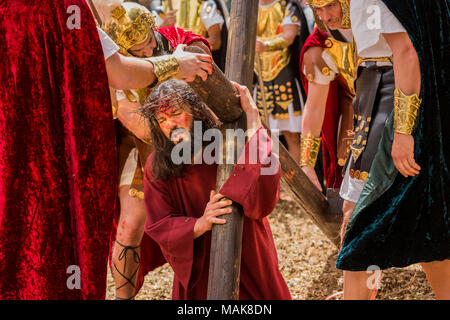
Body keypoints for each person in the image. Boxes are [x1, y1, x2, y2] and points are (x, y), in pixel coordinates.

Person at [93, 0, 214, 300]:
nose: (147, 52)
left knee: (208, 214)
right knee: (131, 223)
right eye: (138, 51)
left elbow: (207, 74)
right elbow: (132, 119)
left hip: (199, 141)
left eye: (148, 42)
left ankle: (213, 288)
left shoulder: (177, 41)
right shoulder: (117, 69)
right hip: (145, 146)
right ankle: (124, 297)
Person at [337, 0, 450, 300]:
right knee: (429, 224)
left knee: (360, 224)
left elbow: (405, 51)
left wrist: (403, 132)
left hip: (395, 98)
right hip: (398, 94)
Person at [140, 79, 291, 299]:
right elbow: (159, 223)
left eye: (175, 113)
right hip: (199, 260)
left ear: (196, 111)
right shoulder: (157, 166)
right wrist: (200, 224)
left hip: (247, 246)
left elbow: (263, 174)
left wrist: (253, 116)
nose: (170, 124)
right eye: (162, 119)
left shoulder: (226, 141)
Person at [298, 0, 354, 207]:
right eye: (318, 9)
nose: (325, 16)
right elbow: (314, 106)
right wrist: (307, 164)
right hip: (354, 111)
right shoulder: (319, 47)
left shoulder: (380, 20)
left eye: (330, 5)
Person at [254, 0, 310, 164]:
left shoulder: (287, 6)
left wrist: (266, 45)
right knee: (264, 137)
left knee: (292, 137)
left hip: (283, 77)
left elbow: (288, 37)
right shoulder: (249, 9)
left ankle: (297, 186)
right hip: (260, 78)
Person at [161, 0, 229, 71]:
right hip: (176, 65)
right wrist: (163, 26)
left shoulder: (205, 3)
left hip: (201, 66)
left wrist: (184, 49)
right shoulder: (164, 3)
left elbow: (215, 42)